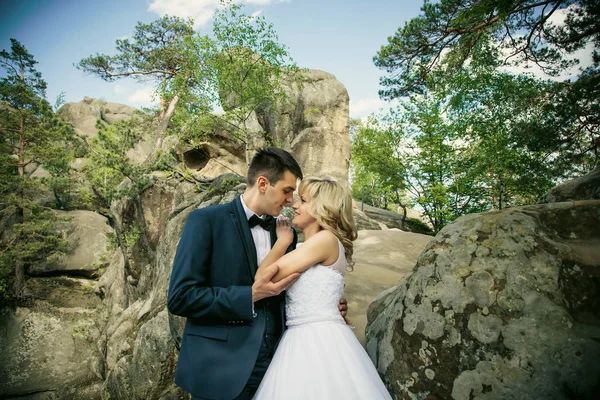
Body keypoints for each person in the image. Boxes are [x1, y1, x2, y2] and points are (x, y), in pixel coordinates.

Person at [167, 148, 349, 400]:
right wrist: (249, 295)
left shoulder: (286, 234)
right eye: (287, 191)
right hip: (221, 368)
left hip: (283, 368)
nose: (290, 201)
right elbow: (181, 297)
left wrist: (330, 305)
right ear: (263, 183)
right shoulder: (206, 221)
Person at [253, 176, 393, 400]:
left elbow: (262, 278)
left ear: (322, 208)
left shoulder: (325, 240)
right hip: (299, 338)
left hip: (318, 342)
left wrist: (281, 242)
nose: (295, 205)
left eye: (304, 200)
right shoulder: (307, 247)